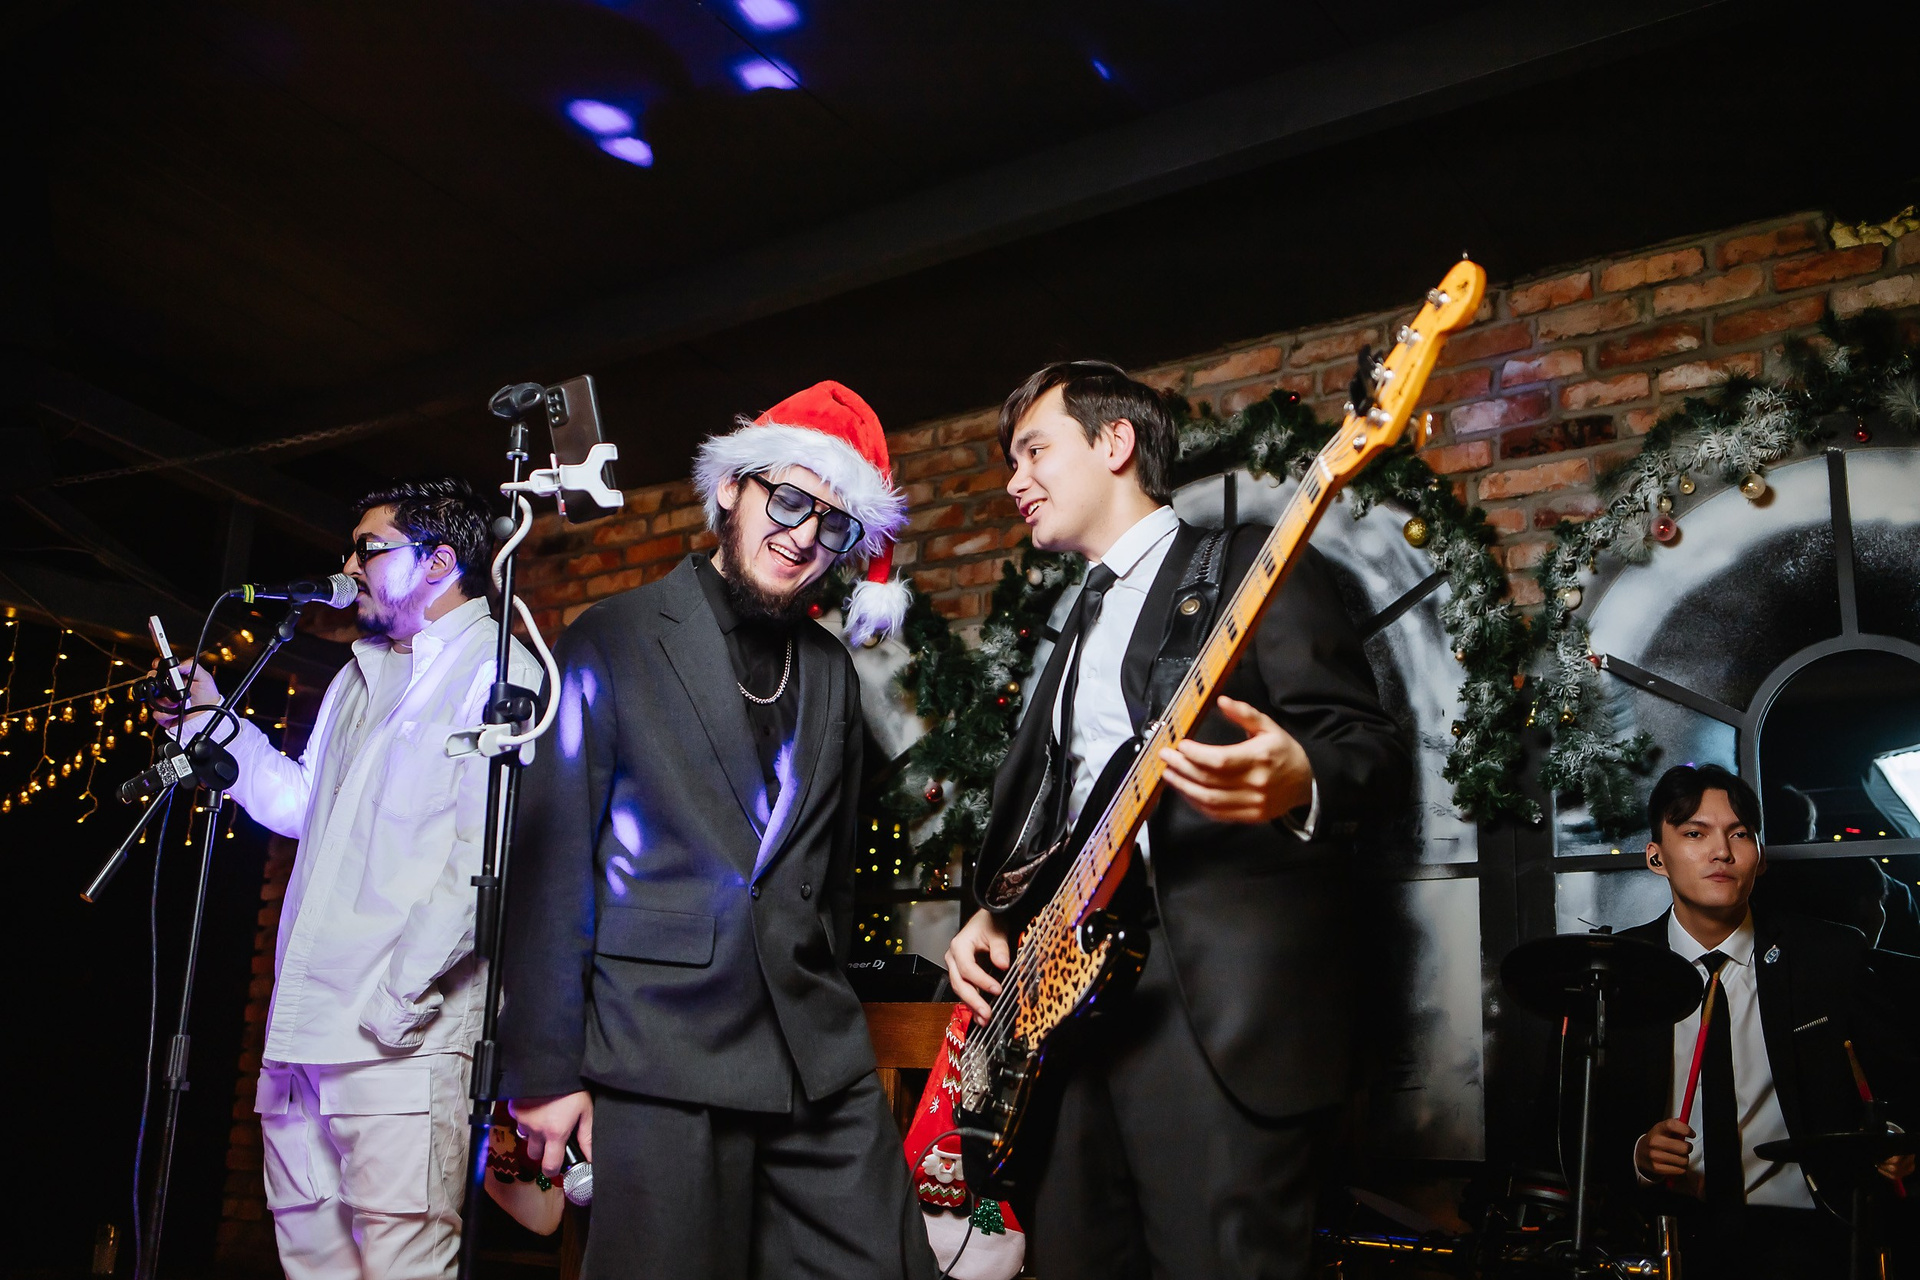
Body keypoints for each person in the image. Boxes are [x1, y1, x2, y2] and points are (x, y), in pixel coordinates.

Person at [943, 360, 1411, 1280]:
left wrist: (1301, 775)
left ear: (1115, 443)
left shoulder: (1249, 565)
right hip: (1068, 1015)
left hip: (1214, 1013)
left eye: (1034, 451)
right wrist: (994, 914)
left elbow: (1373, 750)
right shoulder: (1076, 622)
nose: (1014, 480)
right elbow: (1059, 807)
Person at [497, 381, 936, 1280]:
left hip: (813, 1059)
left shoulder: (830, 670)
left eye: (835, 524)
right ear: (733, 487)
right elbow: (551, 866)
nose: (805, 535)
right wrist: (543, 1068)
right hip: (659, 1054)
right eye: (789, 500)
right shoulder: (612, 637)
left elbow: (829, 875)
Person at [159, 478, 536, 1280]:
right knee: (313, 1265)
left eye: (369, 548)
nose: (350, 566)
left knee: (402, 1267)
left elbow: (484, 857)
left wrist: (397, 1002)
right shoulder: (355, 674)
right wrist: (206, 719)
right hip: (302, 1041)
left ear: (438, 562)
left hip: (398, 1044)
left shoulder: (500, 671)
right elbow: (302, 803)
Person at [1560, 763, 1914, 1278]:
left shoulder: (1828, 956)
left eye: (1740, 834)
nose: (1721, 852)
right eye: (1694, 834)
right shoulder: (1616, 971)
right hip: (1662, 1232)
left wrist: (1897, 1138)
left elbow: (1904, 1086)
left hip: (1810, 1237)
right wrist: (1638, 1156)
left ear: (1760, 857)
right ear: (1656, 857)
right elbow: (1566, 1129)